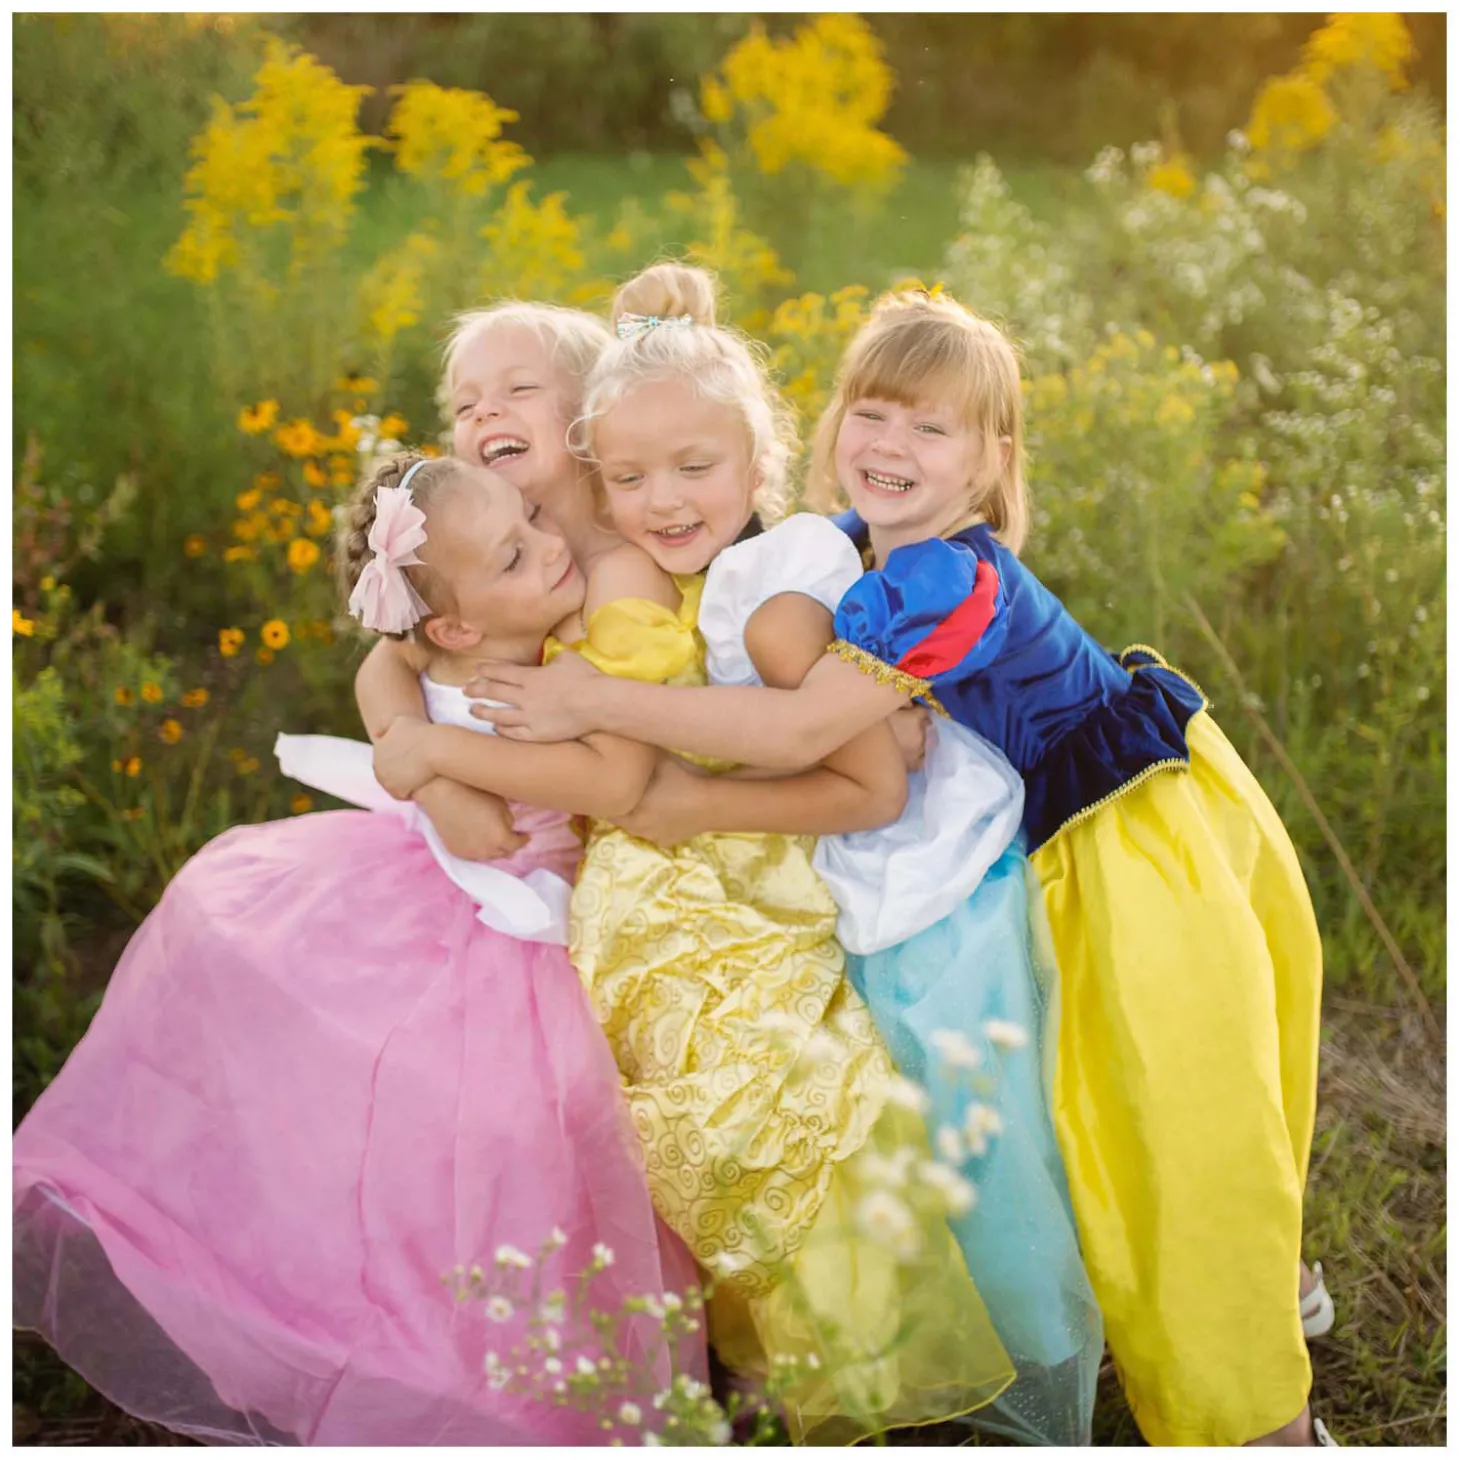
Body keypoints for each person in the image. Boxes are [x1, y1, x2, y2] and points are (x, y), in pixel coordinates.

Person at [466, 287, 1336, 1447]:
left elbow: (795, 728)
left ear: (990, 458)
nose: (891, 445)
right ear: (829, 424)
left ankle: (1267, 1417)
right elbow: (706, 481)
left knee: (1169, 1103)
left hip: (1129, 848)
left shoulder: (946, 579)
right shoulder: (851, 542)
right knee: (1113, 1102)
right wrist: (679, 323)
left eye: (931, 428)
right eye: (871, 414)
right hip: (1053, 837)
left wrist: (596, 704)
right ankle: (1278, 1280)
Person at [370, 265, 1017, 1444]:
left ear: (573, 421)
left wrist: (450, 750)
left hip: (707, 869)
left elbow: (642, 771)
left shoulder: (628, 564)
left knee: (749, 1112)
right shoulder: (509, 544)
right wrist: (421, 759)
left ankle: (824, 1359)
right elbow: (392, 647)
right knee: (664, 1132)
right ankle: (734, 1348)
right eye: (465, 402)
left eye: (517, 391)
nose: (484, 415)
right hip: (609, 878)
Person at [12, 451, 705, 1446]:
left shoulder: (571, 640)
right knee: (355, 1043)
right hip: (446, 891)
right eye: (515, 552)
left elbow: (605, 777)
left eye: (529, 517)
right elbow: (381, 669)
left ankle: (475, 1341)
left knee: (516, 1116)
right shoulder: (454, 657)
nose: (550, 543)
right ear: (455, 628)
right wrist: (429, 777)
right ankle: (329, 1296)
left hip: (533, 905)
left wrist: (431, 754)